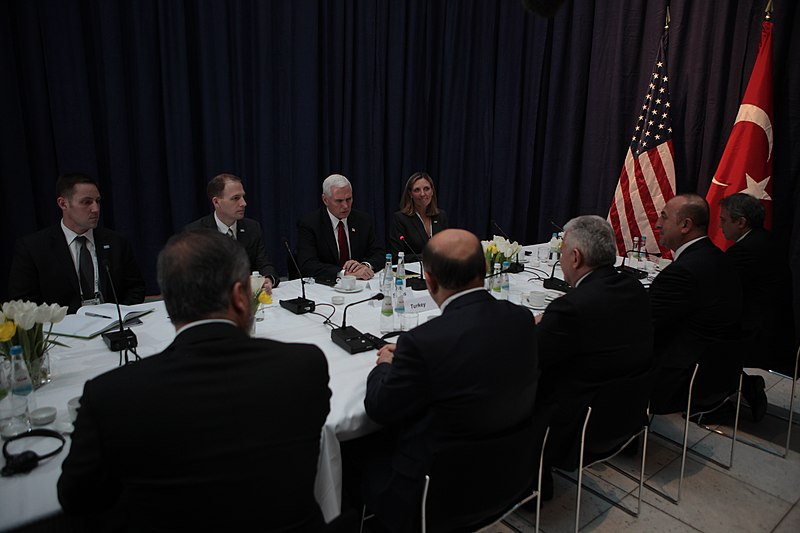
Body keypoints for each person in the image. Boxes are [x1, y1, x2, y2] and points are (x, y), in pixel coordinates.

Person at [57, 230, 332, 531]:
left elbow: (76, 498)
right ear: (241, 297)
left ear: (168, 301)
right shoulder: (305, 366)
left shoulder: (110, 395)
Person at [352, 229, 539, 531]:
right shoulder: (521, 319)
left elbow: (378, 407)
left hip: (436, 495)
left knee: (355, 448)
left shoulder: (422, 343)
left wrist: (385, 365)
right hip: (511, 474)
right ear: (486, 269)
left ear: (430, 281)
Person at [535, 216, 654, 494]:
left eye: (562, 251)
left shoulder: (571, 308)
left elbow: (531, 358)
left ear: (575, 257)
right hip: (627, 413)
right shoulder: (634, 288)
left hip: (578, 426)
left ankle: (528, 479)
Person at [649, 193, 743, 414]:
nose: (657, 224)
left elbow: (645, 326)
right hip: (720, 371)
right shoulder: (718, 258)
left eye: (664, 217)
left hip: (683, 379)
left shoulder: (683, 272)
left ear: (685, 225)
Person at [8, 173, 145, 313]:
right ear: (63, 203)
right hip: (62, 330)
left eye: (97, 201)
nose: (96, 209)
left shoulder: (117, 242)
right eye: (86, 202)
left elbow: (135, 289)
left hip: (113, 325)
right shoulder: (33, 248)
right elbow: (24, 303)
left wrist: (119, 316)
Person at [719, 192, 795, 420]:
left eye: (723, 220)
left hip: (757, 332)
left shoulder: (744, 251)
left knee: (694, 331)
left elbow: (721, 290)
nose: (720, 226)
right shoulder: (768, 240)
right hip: (778, 327)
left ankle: (714, 399)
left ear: (741, 222)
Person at [185, 173, 279, 291]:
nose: (243, 203)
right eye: (236, 198)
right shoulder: (196, 233)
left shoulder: (252, 228)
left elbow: (264, 264)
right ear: (216, 202)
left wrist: (268, 279)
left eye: (243, 197)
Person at [297, 174, 384, 280]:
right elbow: (308, 265)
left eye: (349, 199)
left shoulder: (363, 220)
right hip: (326, 286)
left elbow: (380, 253)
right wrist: (344, 273)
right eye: (339, 201)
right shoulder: (310, 224)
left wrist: (365, 265)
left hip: (360, 284)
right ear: (325, 200)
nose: (345, 206)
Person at [388, 172, 448, 260]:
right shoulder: (401, 218)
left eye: (426, 189)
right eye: (417, 190)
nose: (422, 194)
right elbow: (396, 256)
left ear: (432, 191)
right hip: (413, 271)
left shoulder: (441, 216)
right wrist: (427, 257)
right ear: (410, 194)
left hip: (439, 270)